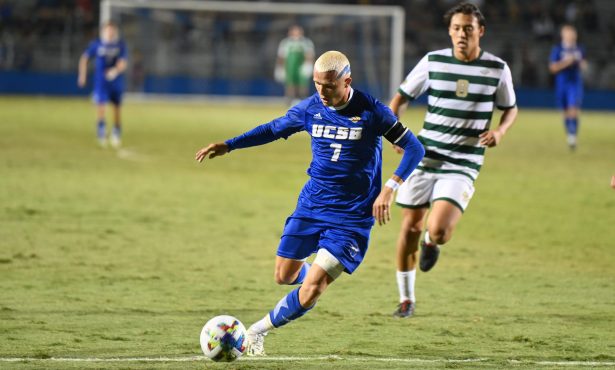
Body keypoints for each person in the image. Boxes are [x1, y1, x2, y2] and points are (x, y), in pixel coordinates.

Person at [195, 51, 425, 355]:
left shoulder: (372, 111)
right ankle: (315, 275)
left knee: (312, 288)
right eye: (317, 85)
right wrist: (230, 145)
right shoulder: (310, 108)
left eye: (329, 86)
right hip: (312, 206)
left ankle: (256, 332)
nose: (322, 93)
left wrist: (390, 188)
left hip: (352, 217)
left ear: (347, 81)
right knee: (284, 276)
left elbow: (414, 148)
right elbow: (272, 129)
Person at [388, 2, 518, 318]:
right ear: (450, 31)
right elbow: (401, 98)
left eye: (468, 29)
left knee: (440, 229)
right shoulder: (433, 62)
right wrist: (395, 132)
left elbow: (510, 107)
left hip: (463, 162)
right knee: (410, 227)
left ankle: (434, 243)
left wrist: (500, 131)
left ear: (480, 32)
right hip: (426, 155)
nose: (462, 34)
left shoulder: (497, 69)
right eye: (457, 28)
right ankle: (407, 300)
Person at [78, 21, 128, 148]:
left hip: (115, 81)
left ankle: (116, 132)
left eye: (112, 30)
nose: (110, 32)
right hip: (101, 82)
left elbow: (123, 63)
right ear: (104, 31)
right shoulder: (97, 44)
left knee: (117, 107)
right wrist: (82, 75)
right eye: (108, 30)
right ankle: (101, 130)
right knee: (101, 106)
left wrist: (115, 71)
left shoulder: (120, 45)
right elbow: (84, 58)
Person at [549, 24, 586, 151]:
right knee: (565, 111)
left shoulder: (579, 49)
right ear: (563, 35)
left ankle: (573, 135)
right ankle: (570, 134)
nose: (571, 36)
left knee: (573, 109)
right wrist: (566, 62)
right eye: (568, 33)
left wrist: (580, 63)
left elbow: (584, 64)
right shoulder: (558, 49)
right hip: (561, 83)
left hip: (574, 83)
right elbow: (552, 68)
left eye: (572, 33)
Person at [274, 25, 315, 106]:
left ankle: (303, 101)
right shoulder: (285, 43)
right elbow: (281, 56)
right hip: (290, 67)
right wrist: (280, 67)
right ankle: (289, 101)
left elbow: (310, 55)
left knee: (302, 84)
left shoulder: (306, 42)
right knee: (290, 84)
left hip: (301, 66)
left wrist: (308, 65)